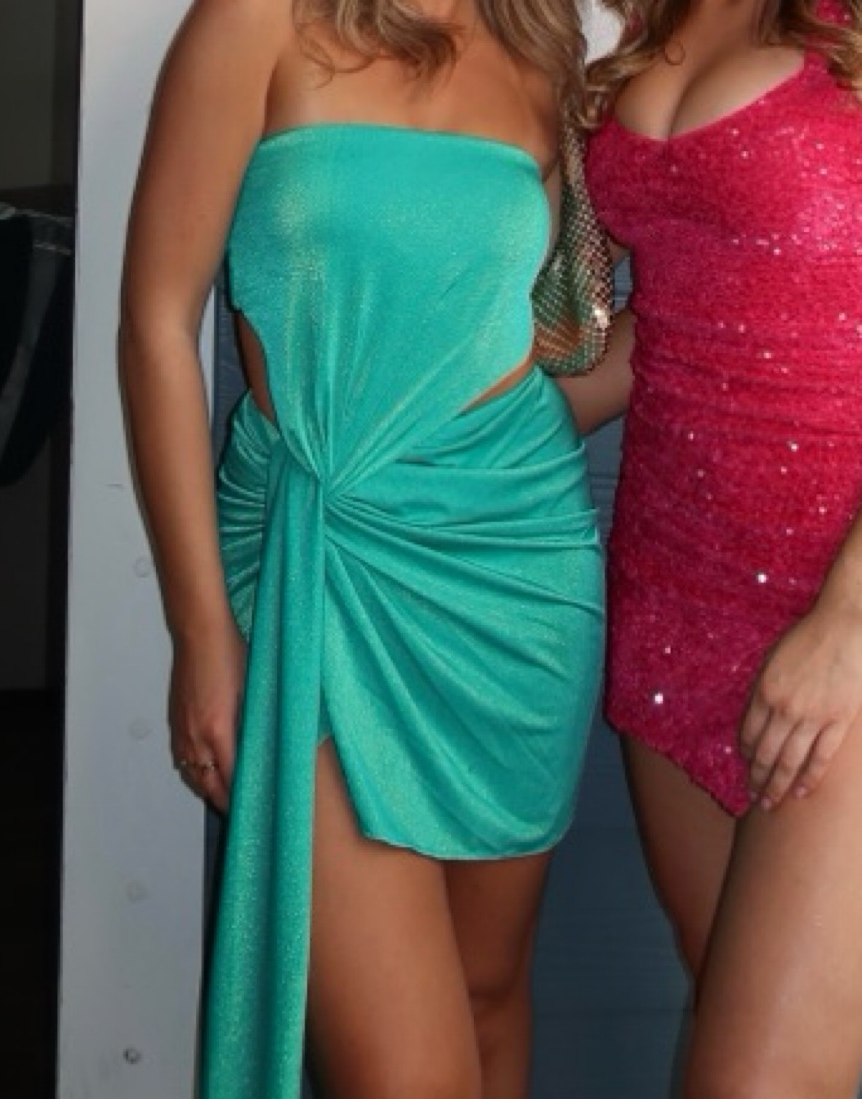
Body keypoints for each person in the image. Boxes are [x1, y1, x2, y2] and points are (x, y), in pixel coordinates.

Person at [118, 0, 609, 1095]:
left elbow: (526, 339)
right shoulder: (254, 21)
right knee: (408, 1074)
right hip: (314, 570)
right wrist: (201, 632)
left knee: (489, 995)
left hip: (517, 575)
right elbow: (156, 319)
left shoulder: (541, 46)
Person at [566, 0, 862, 1095]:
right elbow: (670, 320)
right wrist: (445, 436)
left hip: (839, 605)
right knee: (726, 1002)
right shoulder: (634, 27)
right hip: (671, 598)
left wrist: (849, 620)